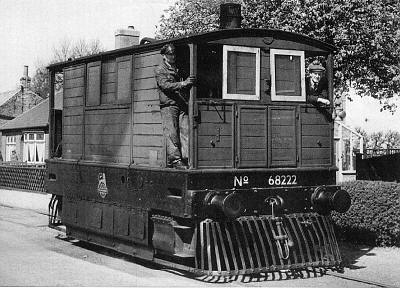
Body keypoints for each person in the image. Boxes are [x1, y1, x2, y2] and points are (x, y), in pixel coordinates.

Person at [155, 43, 196, 169]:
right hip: (169, 105)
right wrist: (183, 84)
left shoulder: (177, 68)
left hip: (181, 103)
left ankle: (187, 158)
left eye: (173, 54)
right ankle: (175, 160)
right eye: (170, 54)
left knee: (185, 130)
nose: (172, 56)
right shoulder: (160, 69)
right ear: (164, 56)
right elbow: (165, 86)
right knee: (172, 133)